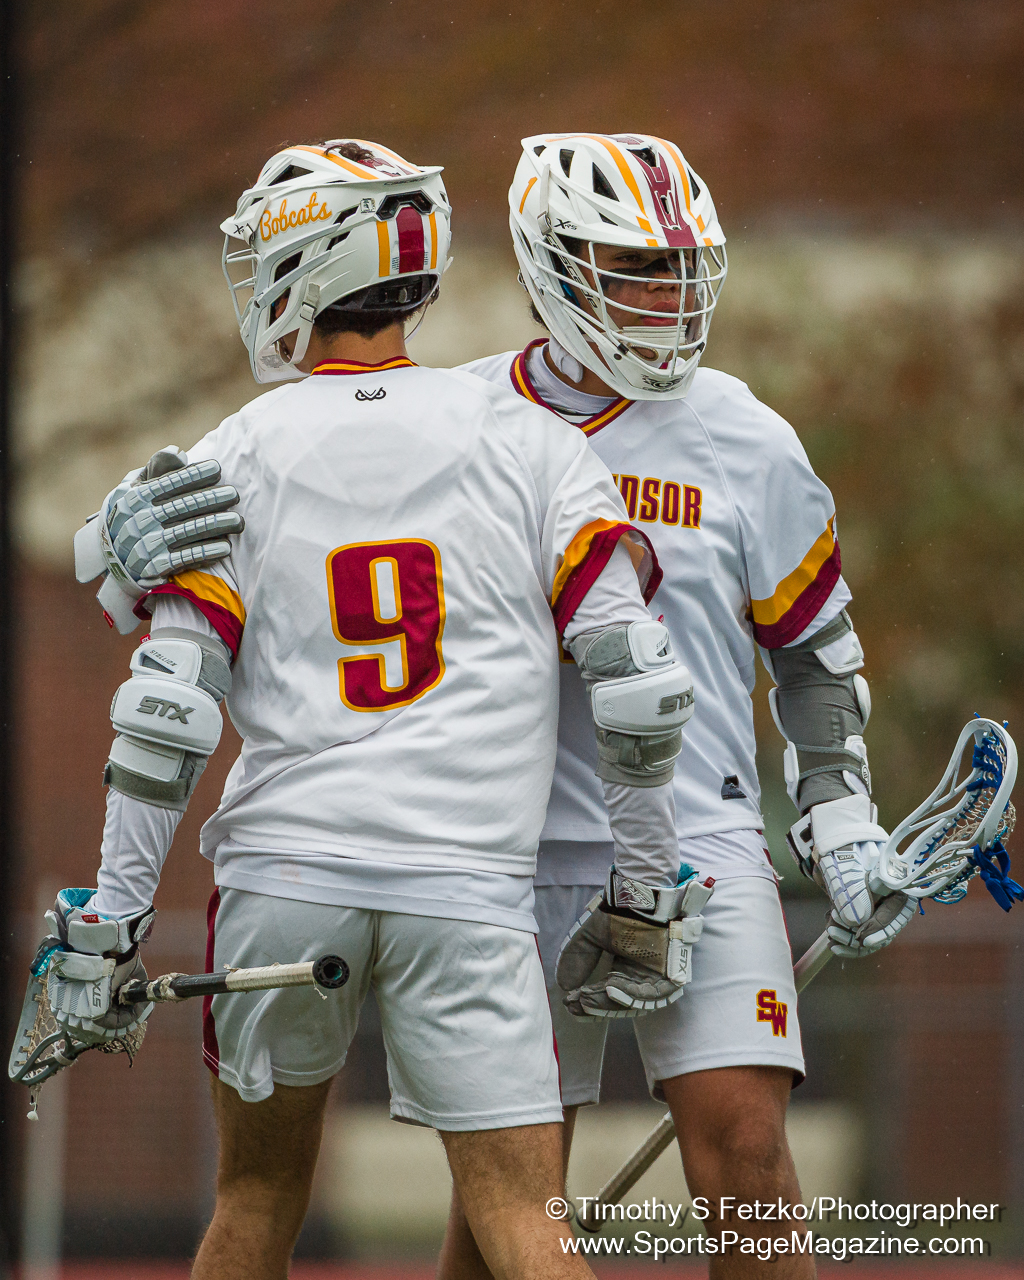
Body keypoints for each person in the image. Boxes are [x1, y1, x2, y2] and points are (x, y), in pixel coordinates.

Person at [77, 132, 916, 1277]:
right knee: (507, 1208)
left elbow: (813, 653)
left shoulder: (748, 437)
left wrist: (841, 815)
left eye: (680, 268)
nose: (665, 297)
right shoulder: (465, 409)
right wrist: (112, 538)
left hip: (696, 833)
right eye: (633, 267)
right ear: (548, 265)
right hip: (505, 849)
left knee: (749, 1157)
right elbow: (297, 530)